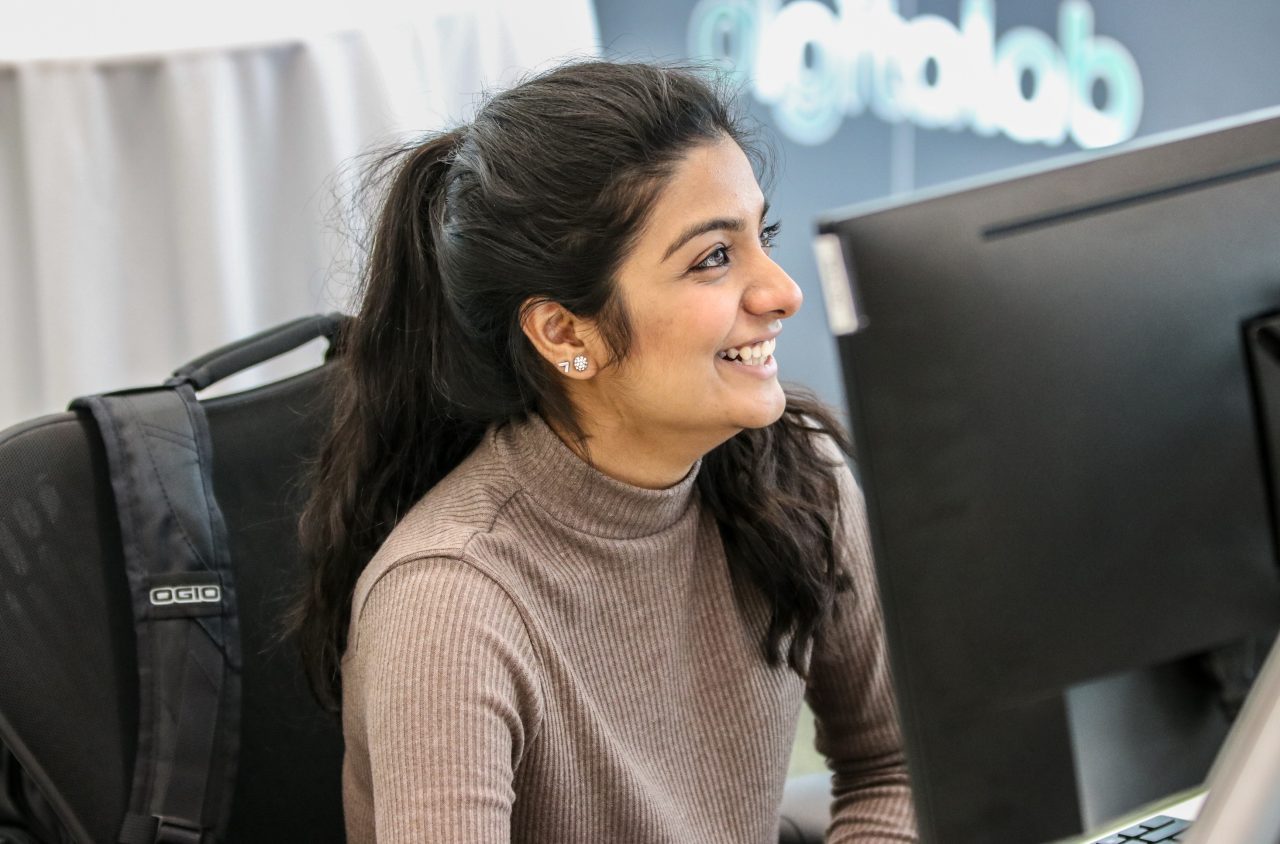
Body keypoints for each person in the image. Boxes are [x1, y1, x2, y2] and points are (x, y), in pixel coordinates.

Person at [292, 60, 917, 843]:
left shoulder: (797, 476)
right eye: (713, 258)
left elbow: (895, 767)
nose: (783, 290)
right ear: (564, 332)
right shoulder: (450, 606)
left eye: (763, 236)